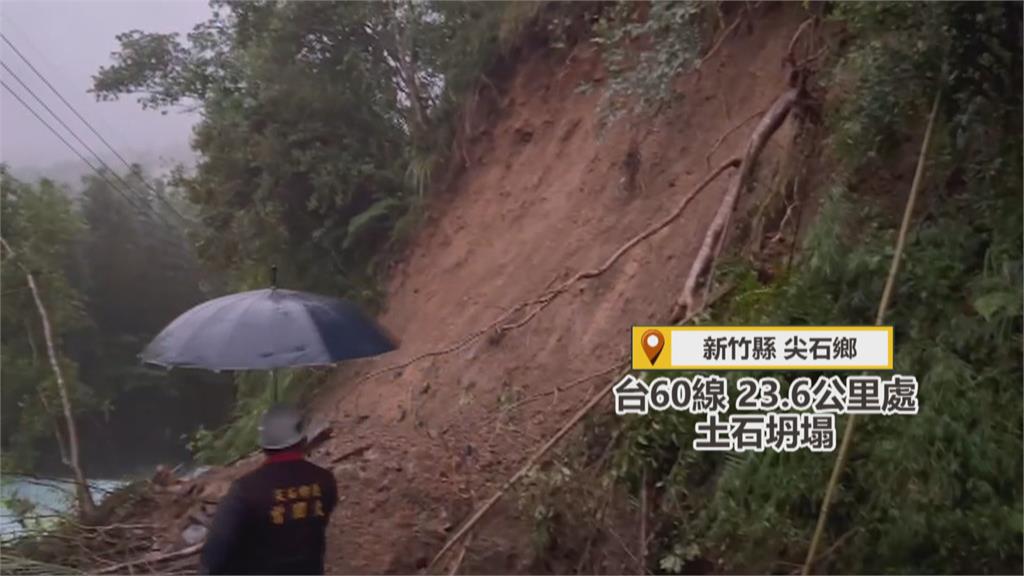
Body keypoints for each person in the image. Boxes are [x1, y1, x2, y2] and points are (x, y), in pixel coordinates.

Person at [200, 404, 338, 575]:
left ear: (264, 447)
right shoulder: (325, 481)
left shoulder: (245, 490)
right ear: (302, 440)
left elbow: (215, 554)